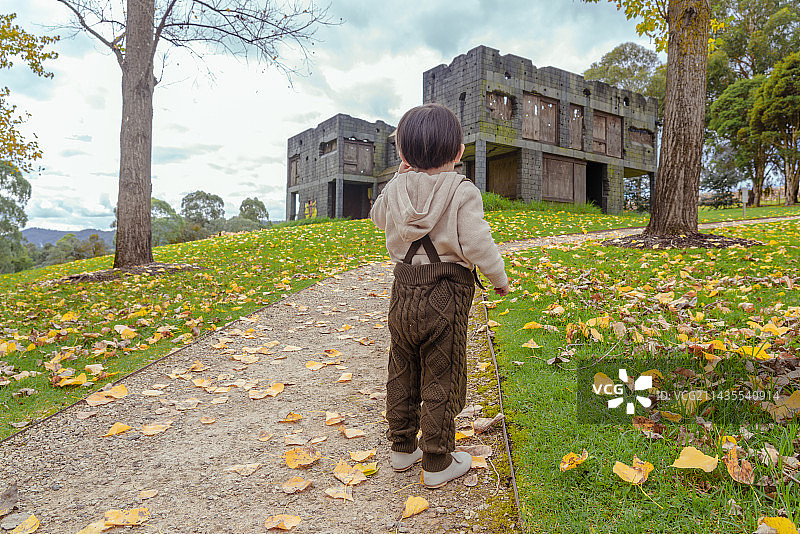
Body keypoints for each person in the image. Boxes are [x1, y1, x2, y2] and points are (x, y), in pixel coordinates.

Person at [369, 103, 510, 488]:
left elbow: (377, 217)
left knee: (402, 367)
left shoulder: (395, 189)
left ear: (402, 154)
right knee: (441, 374)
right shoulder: (462, 191)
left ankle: (401, 449)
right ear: (459, 151)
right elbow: (478, 242)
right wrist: (498, 277)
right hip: (446, 294)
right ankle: (436, 460)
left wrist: (397, 180)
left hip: (403, 292)